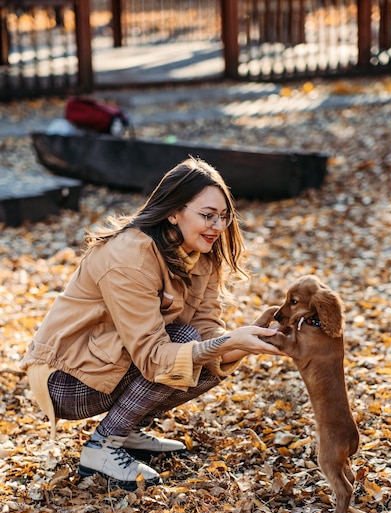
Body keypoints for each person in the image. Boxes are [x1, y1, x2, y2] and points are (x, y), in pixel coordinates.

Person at [21, 157, 283, 491]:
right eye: (207, 215)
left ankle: (126, 430)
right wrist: (227, 343)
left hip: (111, 361)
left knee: (205, 359)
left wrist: (239, 343)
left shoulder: (200, 253)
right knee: (188, 345)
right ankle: (102, 447)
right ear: (174, 212)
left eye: (223, 216)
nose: (218, 226)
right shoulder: (130, 257)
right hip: (65, 378)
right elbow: (153, 357)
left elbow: (206, 328)